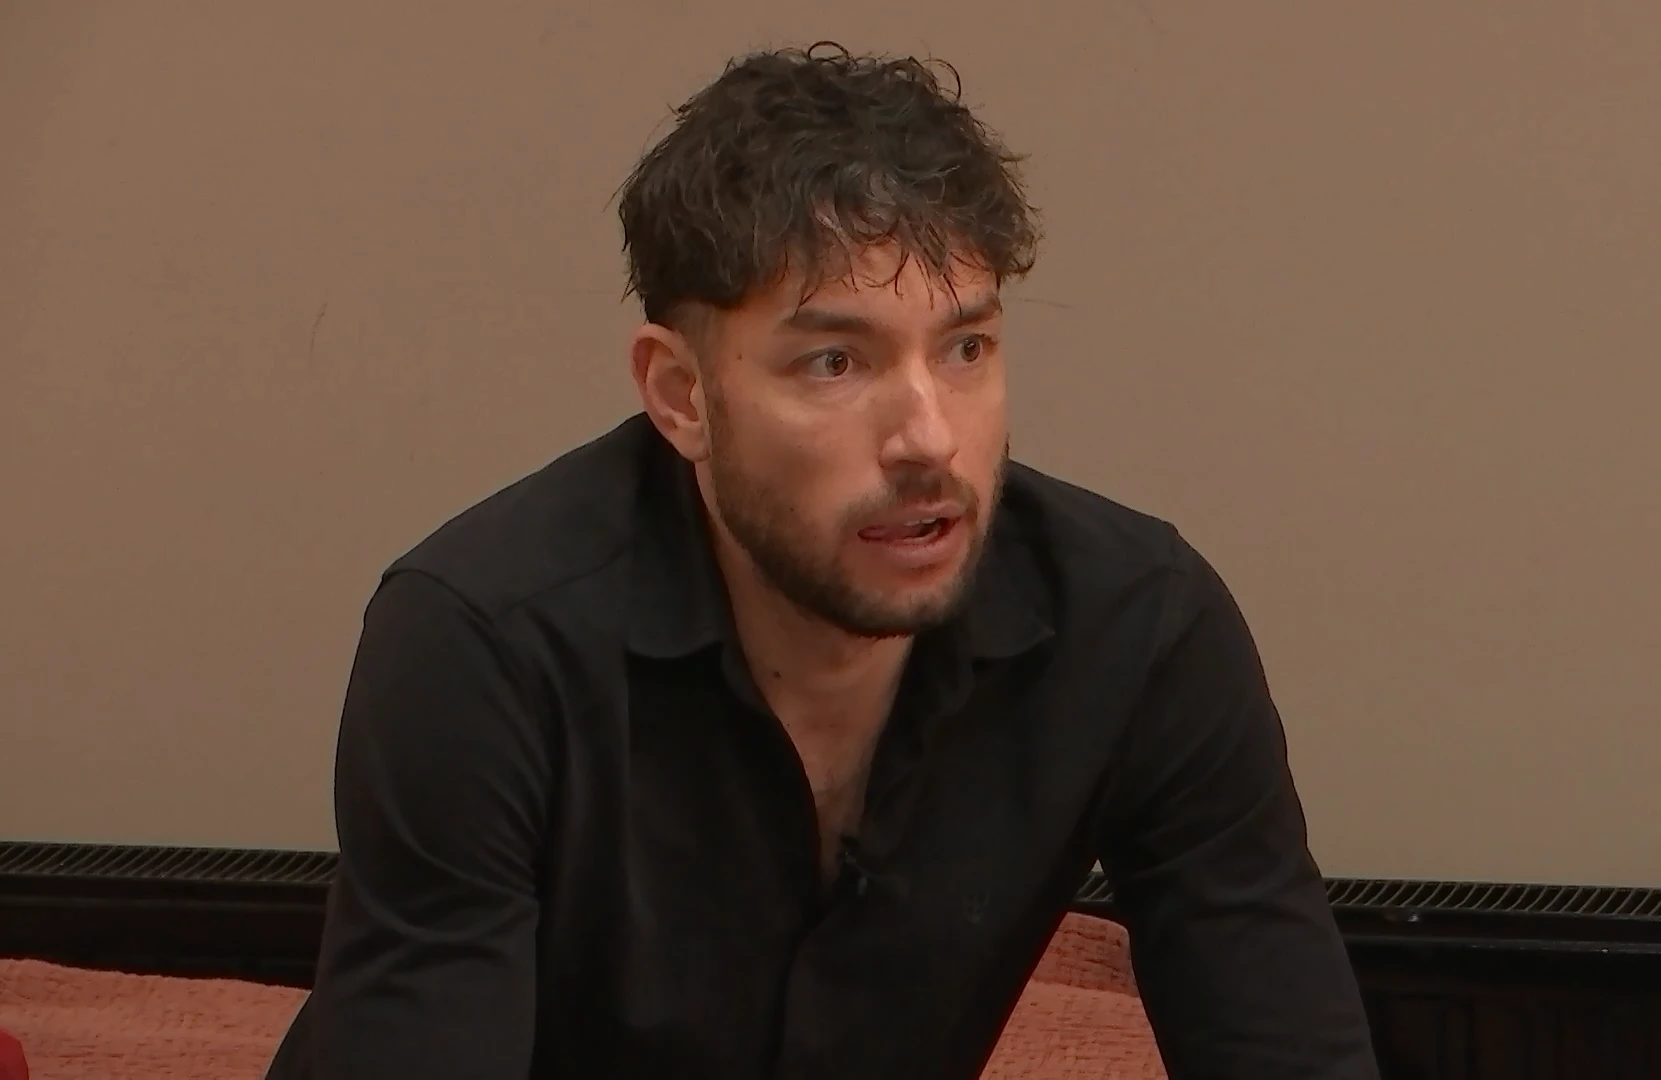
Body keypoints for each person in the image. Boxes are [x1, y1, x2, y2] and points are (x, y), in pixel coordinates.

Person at [265, 42, 1378, 1080]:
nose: (929, 440)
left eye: (967, 349)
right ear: (681, 395)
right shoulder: (480, 638)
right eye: (836, 363)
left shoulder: (1139, 625)